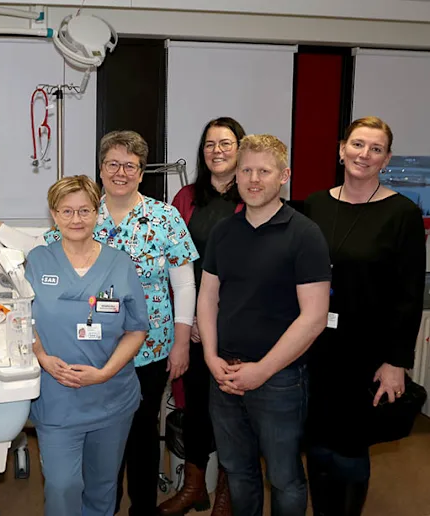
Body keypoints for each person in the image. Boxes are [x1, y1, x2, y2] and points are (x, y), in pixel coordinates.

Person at [0, 130, 198, 515]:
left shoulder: (163, 217)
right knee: (82, 477)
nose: (120, 172)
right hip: (73, 364)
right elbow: (37, 247)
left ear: (141, 172)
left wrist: (181, 340)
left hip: (145, 349)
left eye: (129, 166)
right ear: (101, 169)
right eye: (113, 164)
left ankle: (140, 509)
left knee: (141, 438)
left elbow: (183, 282)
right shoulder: (79, 218)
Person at [197, 134, 330, 516]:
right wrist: (209, 356)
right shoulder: (224, 231)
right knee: (238, 472)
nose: (253, 179)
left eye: (264, 171)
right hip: (223, 374)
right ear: (236, 175)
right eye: (246, 170)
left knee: (285, 478)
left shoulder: (304, 234)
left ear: (283, 176)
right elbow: (208, 297)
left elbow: (314, 317)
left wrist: (263, 370)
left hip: (280, 380)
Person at [303, 117, 425, 515]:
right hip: (316, 347)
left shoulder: (402, 213)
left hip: (368, 355)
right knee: (318, 443)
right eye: (358, 145)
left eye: (375, 149)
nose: (364, 155)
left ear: (386, 159)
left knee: (351, 447)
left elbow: (409, 293)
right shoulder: (315, 205)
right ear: (342, 149)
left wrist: (396, 362)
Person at [24, 175, 148, 516]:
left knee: (103, 485)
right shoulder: (37, 261)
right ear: (54, 214)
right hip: (58, 395)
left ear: (97, 213)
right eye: (66, 211)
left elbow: (137, 329)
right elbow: (20, 319)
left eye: (84, 211)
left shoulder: (120, 263)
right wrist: (41, 356)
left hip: (110, 396)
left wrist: (105, 373)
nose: (76, 220)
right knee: (62, 485)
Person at [158, 117, 245, 516]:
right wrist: (187, 319)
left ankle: (227, 493)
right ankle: (194, 486)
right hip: (192, 322)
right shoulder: (186, 197)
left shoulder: (253, 193)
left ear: (241, 148)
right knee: (194, 407)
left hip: (238, 323)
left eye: (225, 143)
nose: (217, 151)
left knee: (232, 411)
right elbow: (176, 265)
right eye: (209, 144)